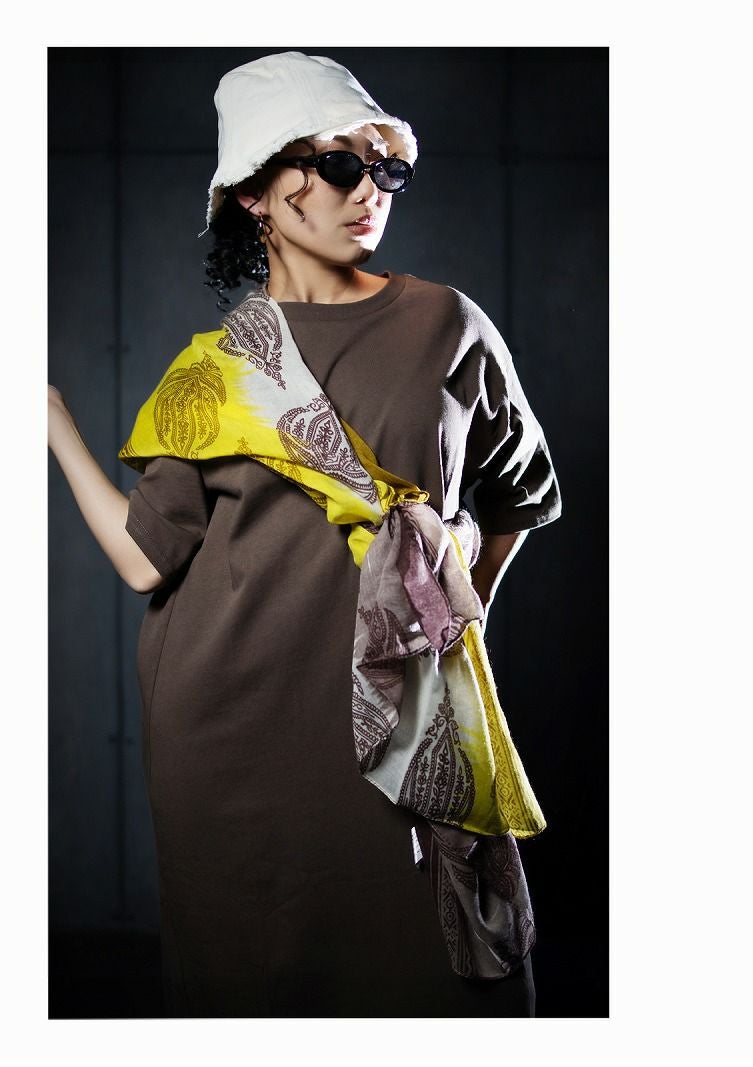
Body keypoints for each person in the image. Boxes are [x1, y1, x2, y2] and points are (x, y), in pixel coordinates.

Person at [47, 51, 562, 1018]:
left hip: (407, 713)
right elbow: (146, 558)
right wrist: (52, 421)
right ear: (255, 191)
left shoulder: (447, 325)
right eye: (337, 165)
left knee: (435, 981)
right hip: (230, 730)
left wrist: (461, 607)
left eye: (385, 168)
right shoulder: (217, 370)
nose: (370, 191)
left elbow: (521, 492)